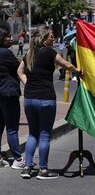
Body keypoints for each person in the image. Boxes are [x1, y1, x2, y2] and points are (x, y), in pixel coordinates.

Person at [17, 27, 81, 180]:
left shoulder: (29, 53)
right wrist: (78, 71)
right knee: (44, 134)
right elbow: (66, 65)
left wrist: (28, 84)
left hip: (29, 99)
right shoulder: (50, 52)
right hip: (46, 98)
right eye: (52, 36)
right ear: (44, 39)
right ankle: (43, 170)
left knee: (33, 133)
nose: (54, 38)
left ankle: (27, 167)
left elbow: (19, 72)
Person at [0, 22, 24, 169]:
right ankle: (18, 159)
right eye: (8, 36)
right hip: (9, 94)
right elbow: (19, 68)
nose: (10, 38)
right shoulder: (5, 53)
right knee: (12, 128)